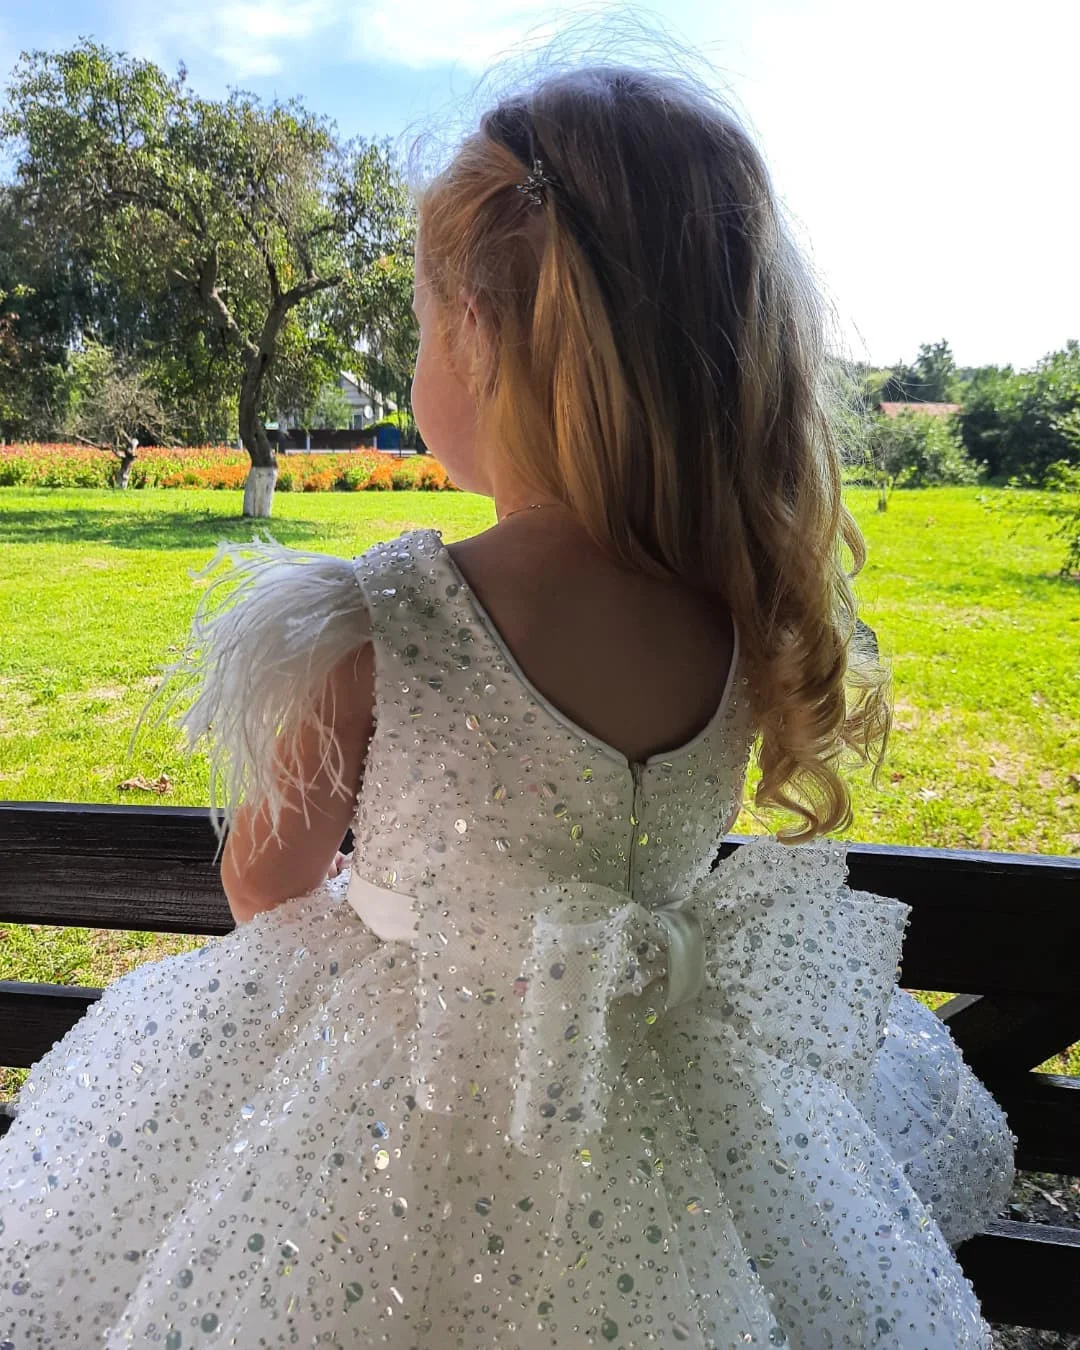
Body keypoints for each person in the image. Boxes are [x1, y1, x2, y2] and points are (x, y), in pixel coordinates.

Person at [0, 66, 1013, 1349]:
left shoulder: (393, 613)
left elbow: (264, 883)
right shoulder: (746, 613)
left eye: (420, 326)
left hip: (404, 1104)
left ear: (478, 333)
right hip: (679, 1111)